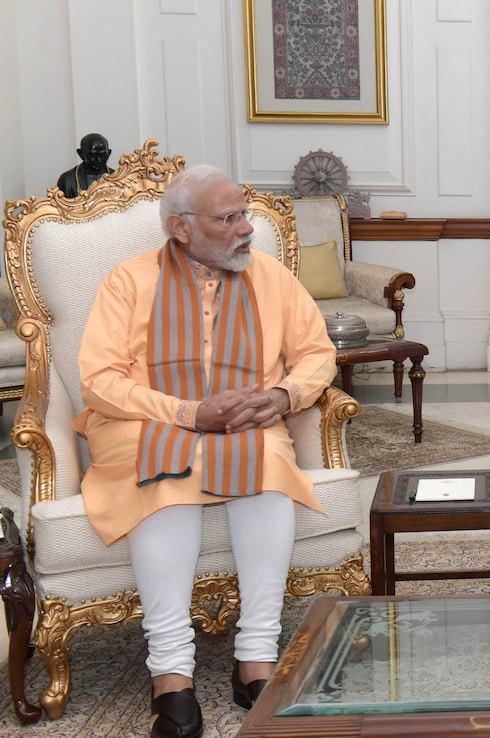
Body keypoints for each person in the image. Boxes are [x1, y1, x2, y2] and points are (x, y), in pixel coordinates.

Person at [72, 165, 337, 738]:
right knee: (165, 472)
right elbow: (99, 381)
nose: (247, 228)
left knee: (266, 464)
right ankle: (170, 674)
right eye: (229, 218)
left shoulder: (270, 277)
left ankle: (256, 658)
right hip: (144, 421)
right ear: (181, 228)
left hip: (244, 418)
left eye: (245, 214)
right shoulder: (128, 281)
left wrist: (281, 394)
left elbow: (318, 353)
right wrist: (190, 414)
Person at [55, 133, 115, 197]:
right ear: (81, 154)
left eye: (102, 155)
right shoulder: (67, 180)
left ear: (109, 153)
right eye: (92, 155)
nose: (98, 160)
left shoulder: (118, 177)